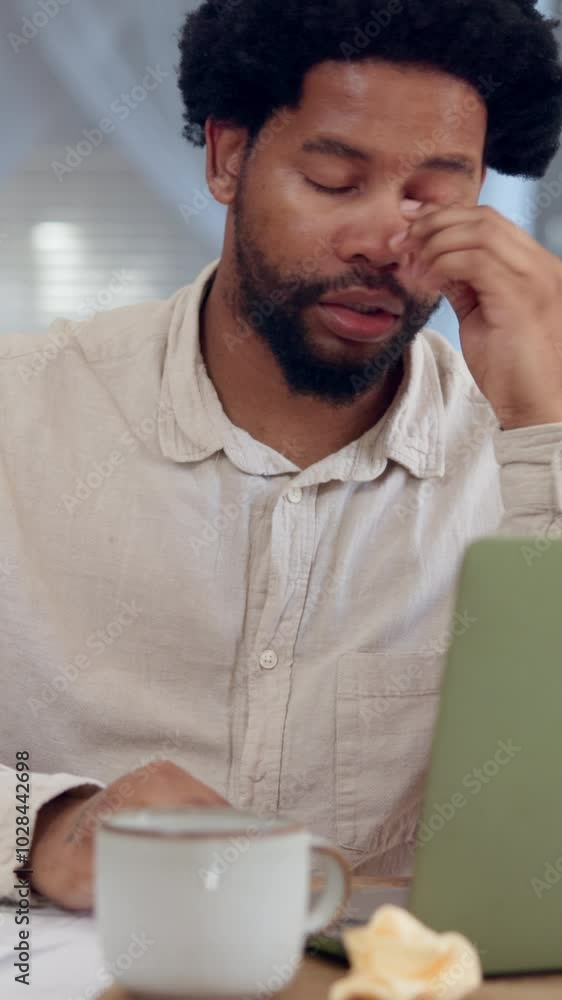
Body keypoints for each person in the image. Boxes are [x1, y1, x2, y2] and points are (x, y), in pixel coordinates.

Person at [2, 0, 562, 911]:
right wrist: (44, 827)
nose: (386, 242)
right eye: (337, 181)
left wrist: (545, 433)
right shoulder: (18, 418)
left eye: (436, 194)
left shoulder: (523, 453)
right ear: (229, 159)